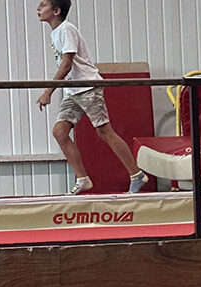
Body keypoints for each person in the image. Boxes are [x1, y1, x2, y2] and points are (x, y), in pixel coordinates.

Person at [35, 0, 148, 195]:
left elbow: (66, 65)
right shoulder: (55, 32)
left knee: (104, 131)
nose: (38, 8)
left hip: (87, 87)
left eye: (43, 5)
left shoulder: (66, 29)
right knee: (60, 132)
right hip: (72, 89)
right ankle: (83, 178)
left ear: (56, 11)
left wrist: (48, 91)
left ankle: (136, 174)